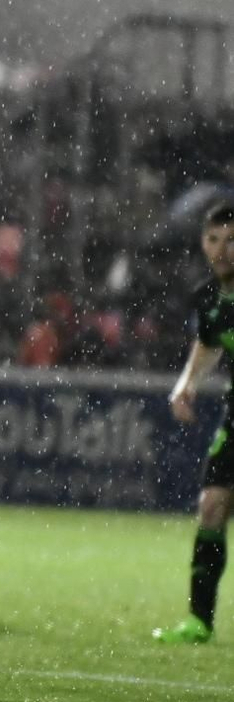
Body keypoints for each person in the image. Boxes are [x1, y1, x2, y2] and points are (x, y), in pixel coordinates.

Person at [154, 202, 234, 644]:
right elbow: (208, 342)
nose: (223, 250)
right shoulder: (209, 297)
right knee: (212, 507)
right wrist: (186, 385)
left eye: (233, 240)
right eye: (214, 239)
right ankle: (199, 620)